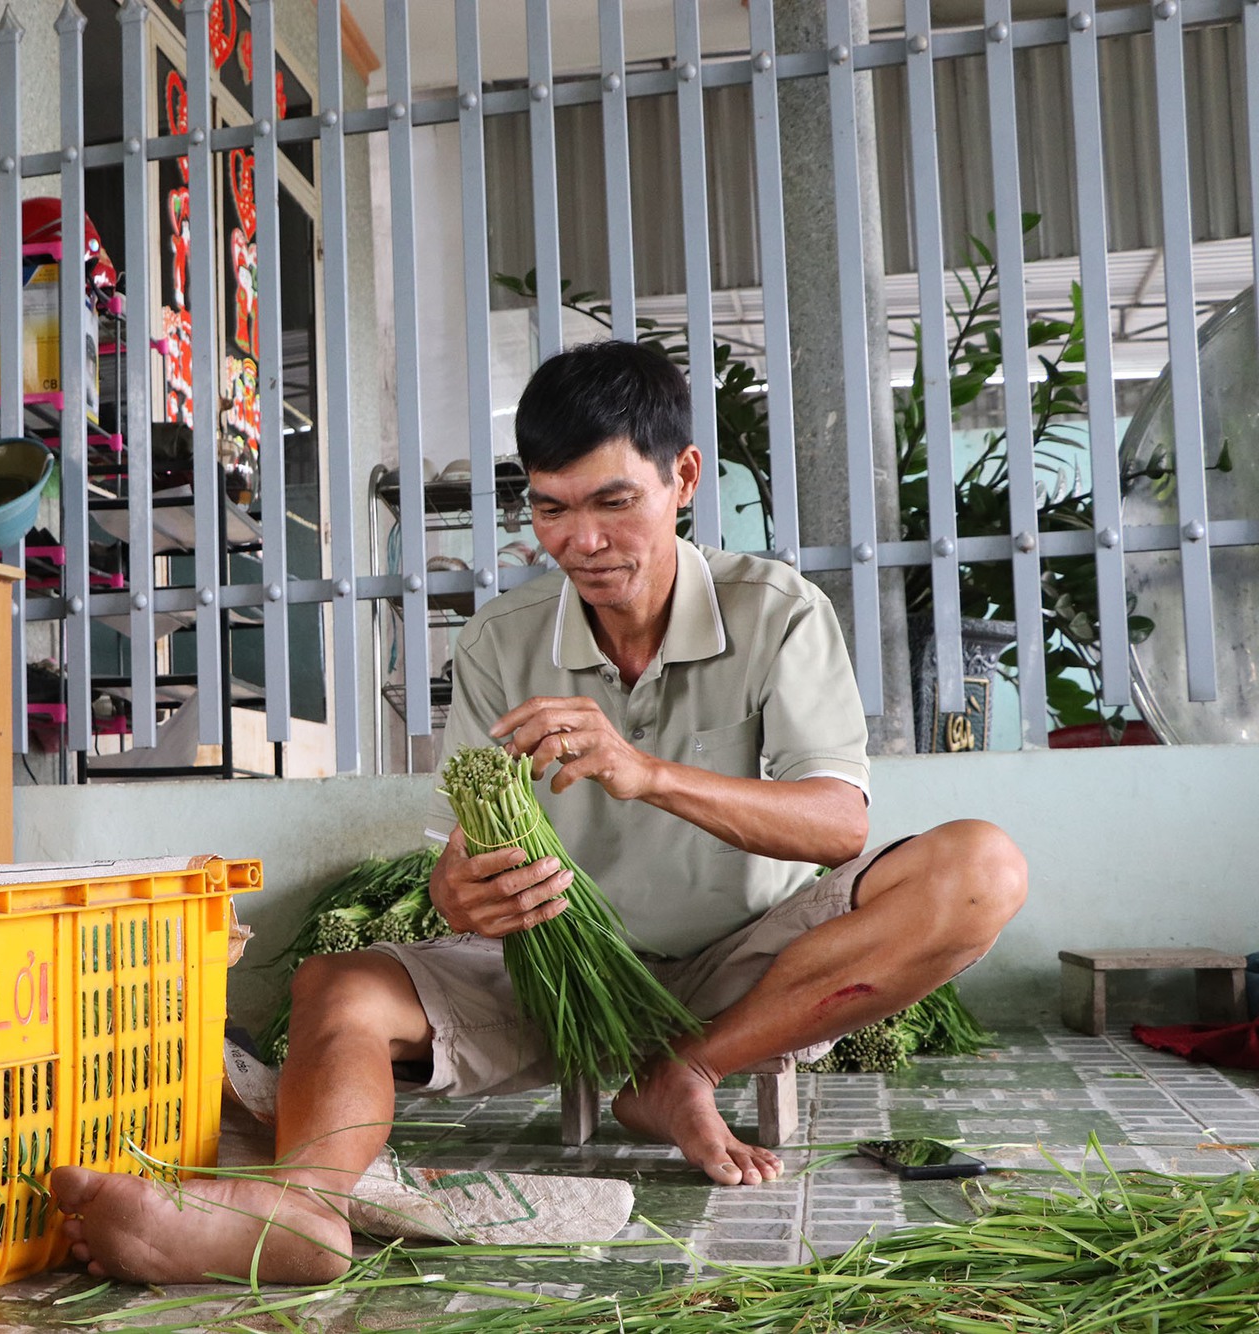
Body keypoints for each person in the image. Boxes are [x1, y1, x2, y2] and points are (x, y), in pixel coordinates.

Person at [51, 340, 1028, 1284]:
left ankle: (675, 1072)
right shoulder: (498, 642)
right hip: (558, 968)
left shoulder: (776, 611)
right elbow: (470, 854)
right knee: (336, 985)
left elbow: (835, 825)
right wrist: (463, 894)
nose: (582, 541)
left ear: (682, 477)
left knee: (979, 866)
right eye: (551, 508)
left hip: (746, 962)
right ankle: (303, 1211)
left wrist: (644, 772)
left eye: (613, 501)